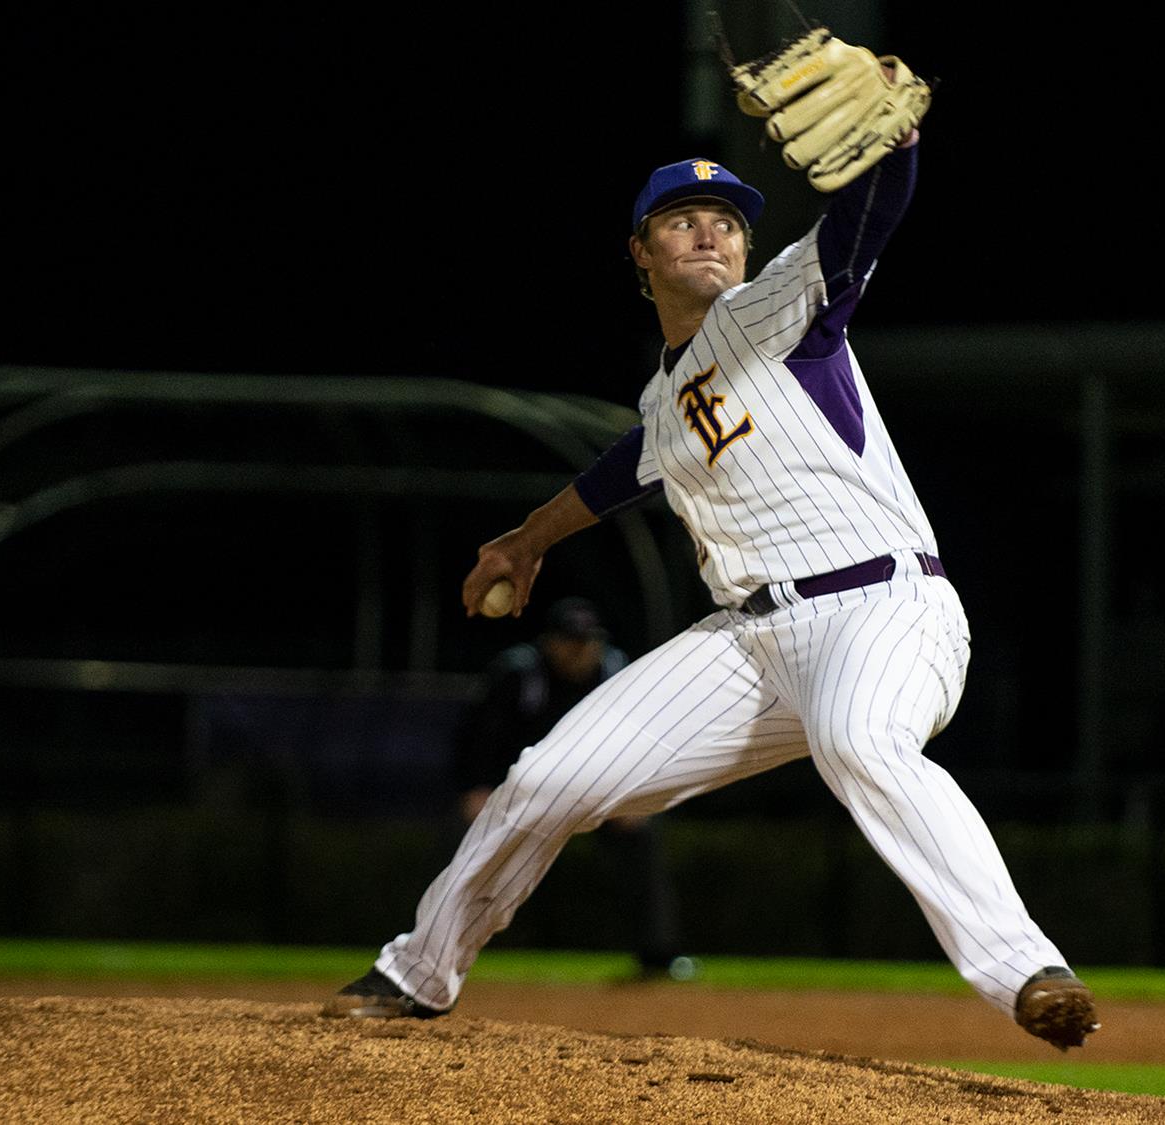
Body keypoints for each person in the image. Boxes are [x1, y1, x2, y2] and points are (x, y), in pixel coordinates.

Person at [321, 110, 1098, 1050]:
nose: (709, 233)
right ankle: (416, 972)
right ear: (639, 252)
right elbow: (625, 469)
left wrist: (895, 146)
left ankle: (1030, 973)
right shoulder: (664, 397)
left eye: (726, 221)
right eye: (682, 220)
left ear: (746, 249)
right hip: (748, 641)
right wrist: (527, 540)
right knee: (547, 778)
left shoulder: (771, 311)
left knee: (860, 739)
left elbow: (862, 229)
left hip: (883, 610)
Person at [451, 597, 687, 979]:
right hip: (522, 792)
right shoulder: (519, 673)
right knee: (466, 844)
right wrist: (476, 787)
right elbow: (478, 737)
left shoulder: (615, 671)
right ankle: (444, 949)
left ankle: (658, 957)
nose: (580, 649)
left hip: (595, 790)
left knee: (641, 838)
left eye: (588, 640)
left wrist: (636, 796)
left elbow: (641, 740)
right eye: (570, 640)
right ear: (549, 642)